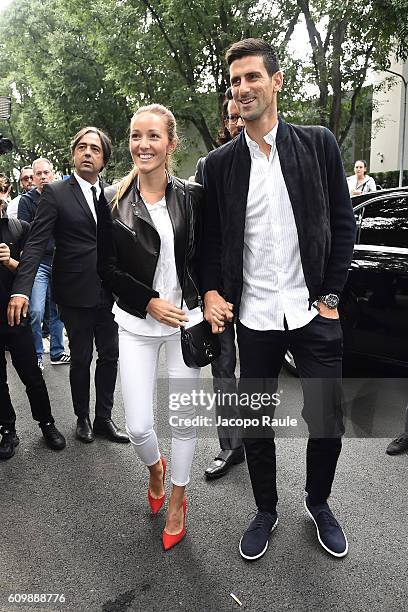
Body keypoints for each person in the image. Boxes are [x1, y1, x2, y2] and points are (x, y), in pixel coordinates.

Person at [200, 38, 356, 560]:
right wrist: (213, 292)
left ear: (276, 82)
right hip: (255, 315)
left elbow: (342, 223)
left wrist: (330, 295)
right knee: (255, 419)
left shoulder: (318, 144)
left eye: (252, 78)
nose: (242, 89)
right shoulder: (219, 165)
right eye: (235, 81)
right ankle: (266, 509)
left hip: (312, 311)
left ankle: (319, 503)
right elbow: (211, 241)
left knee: (326, 416)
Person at [97, 104, 203, 550]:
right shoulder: (113, 201)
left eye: (154, 136)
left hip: (187, 323)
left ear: (170, 144)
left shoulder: (194, 196)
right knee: (139, 425)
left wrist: (208, 300)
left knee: (183, 419)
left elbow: (206, 256)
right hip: (137, 322)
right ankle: (155, 469)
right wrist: (148, 301)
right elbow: (106, 267)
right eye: (137, 136)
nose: (144, 144)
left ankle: (178, 497)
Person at [7, 127, 128, 445]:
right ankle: (83, 418)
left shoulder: (113, 194)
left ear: (103, 160)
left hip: (110, 292)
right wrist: (22, 288)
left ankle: (104, 417)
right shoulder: (57, 193)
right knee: (82, 356)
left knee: (110, 355)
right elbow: (35, 244)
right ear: (74, 154)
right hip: (75, 292)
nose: (88, 153)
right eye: (82, 147)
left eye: (96, 149)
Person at [195, 88, 246, 480]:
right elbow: (202, 236)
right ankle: (231, 447)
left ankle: (257, 439)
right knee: (224, 369)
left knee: (261, 369)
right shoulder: (209, 166)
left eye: (239, 116)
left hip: (265, 288)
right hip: (224, 292)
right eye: (230, 117)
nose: (236, 123)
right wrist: (207, 291)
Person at [0, 192, 65, 459]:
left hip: (15, 317)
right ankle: (7, 429)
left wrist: (10, 261)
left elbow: (32, 270)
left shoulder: (18, 228)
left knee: (32, 376)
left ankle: (47, 424)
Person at [18, 158, 69, 370]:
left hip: (59, 260)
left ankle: (57, 352)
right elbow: (24, 232)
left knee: (57, 310)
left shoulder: (63, 195)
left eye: (46, 173)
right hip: (38, 262)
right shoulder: (26, 201)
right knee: (36, 311)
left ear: (53, 173)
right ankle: (37, 354)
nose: (42, 177)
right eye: (38, 174)